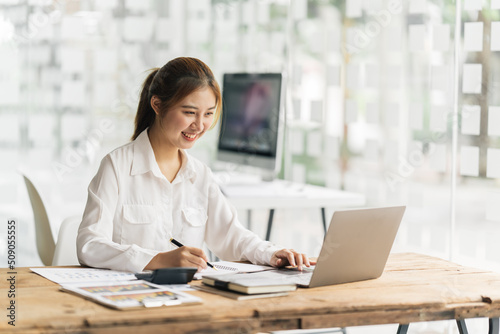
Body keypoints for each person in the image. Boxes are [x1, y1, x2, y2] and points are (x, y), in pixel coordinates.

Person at [77, 57, 314, 273]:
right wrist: (158, 260)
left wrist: (272, 253)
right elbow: (90, 245)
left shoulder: (199, 174)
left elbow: (231, 235)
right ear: (157, 105)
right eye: (190, 112)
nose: (200, 125)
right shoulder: (117, 167)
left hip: (188, 299)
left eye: (208, 114)